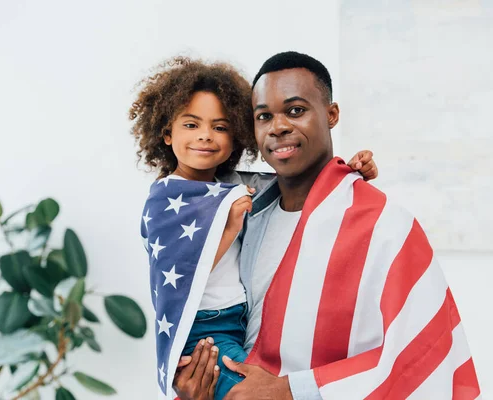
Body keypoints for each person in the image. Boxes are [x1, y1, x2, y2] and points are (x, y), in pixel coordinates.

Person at [173, 52, 481, 400]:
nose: (278, 127)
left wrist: (290, 390)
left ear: (331, 114)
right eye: (263, 116)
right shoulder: (242, 215)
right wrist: (196, 388)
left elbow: (424, 356)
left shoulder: (386, 226)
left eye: (295, 110)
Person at [130, 56, 377, 400]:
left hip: (239, 324)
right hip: (204, 331)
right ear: (167, 133)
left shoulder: (230, 185)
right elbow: (178, 268)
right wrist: (228, 229)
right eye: (191, 125)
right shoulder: (165, 197)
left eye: (219, 127)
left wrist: (351, 170)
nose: (205, 136)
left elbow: (298, 179)